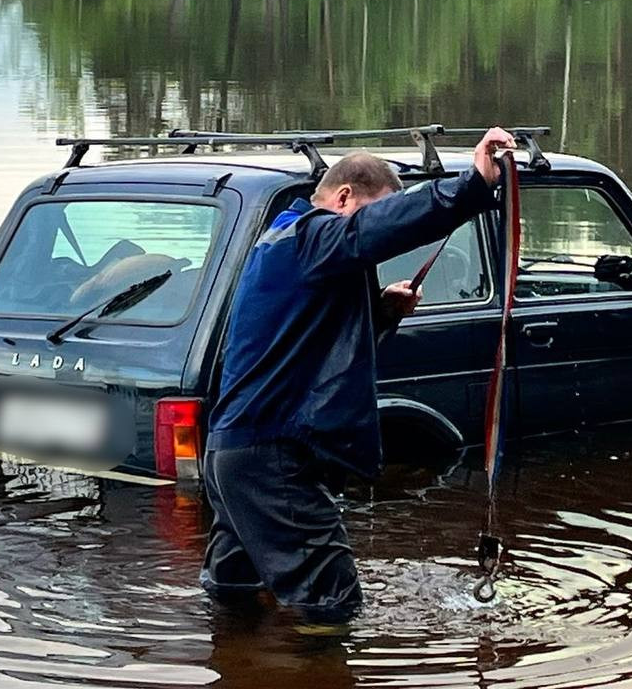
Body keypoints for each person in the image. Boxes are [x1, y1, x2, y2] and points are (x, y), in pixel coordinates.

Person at [201, 127, 517, 624]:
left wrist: (383, 311)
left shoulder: (285, 242)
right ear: (344, 197)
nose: (374, 237)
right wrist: (473, 184)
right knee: (333, 602)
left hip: (233, 456)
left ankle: (241, 665)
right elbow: (383, 226)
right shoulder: (314, 235)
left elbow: (303, 342)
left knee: (235, 593)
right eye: (373, 216)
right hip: (272, 456)